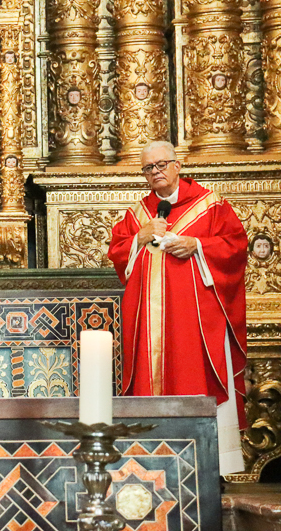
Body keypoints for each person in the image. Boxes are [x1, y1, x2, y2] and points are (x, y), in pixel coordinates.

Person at [108, 140, 248, 474]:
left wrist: (197, 245)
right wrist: (140, 237)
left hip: (196, 323)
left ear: (177, 165)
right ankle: (152, 462)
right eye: (148, 168)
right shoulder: (138, 214)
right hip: (150, 325)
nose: (155, 172)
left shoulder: (210, 205)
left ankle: (211, 466)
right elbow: (117, 252)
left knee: (196, 377)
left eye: (161, 165)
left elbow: (235, 246)